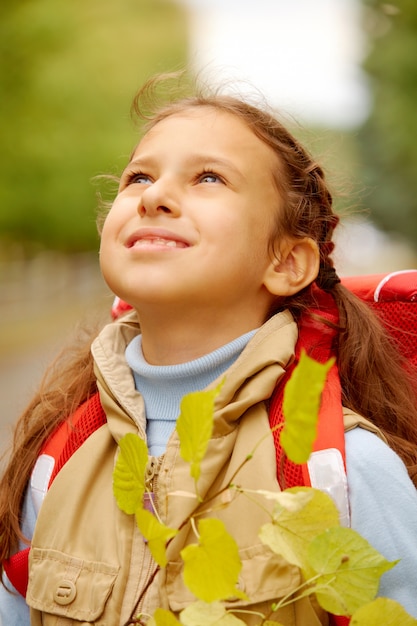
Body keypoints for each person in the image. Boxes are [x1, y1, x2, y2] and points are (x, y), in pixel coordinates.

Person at [1, 73, 417, 626]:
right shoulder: (58, 457)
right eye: (139, 177)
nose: (154, 195)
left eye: (209, 177)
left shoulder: (338, 468)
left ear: (288, 262)